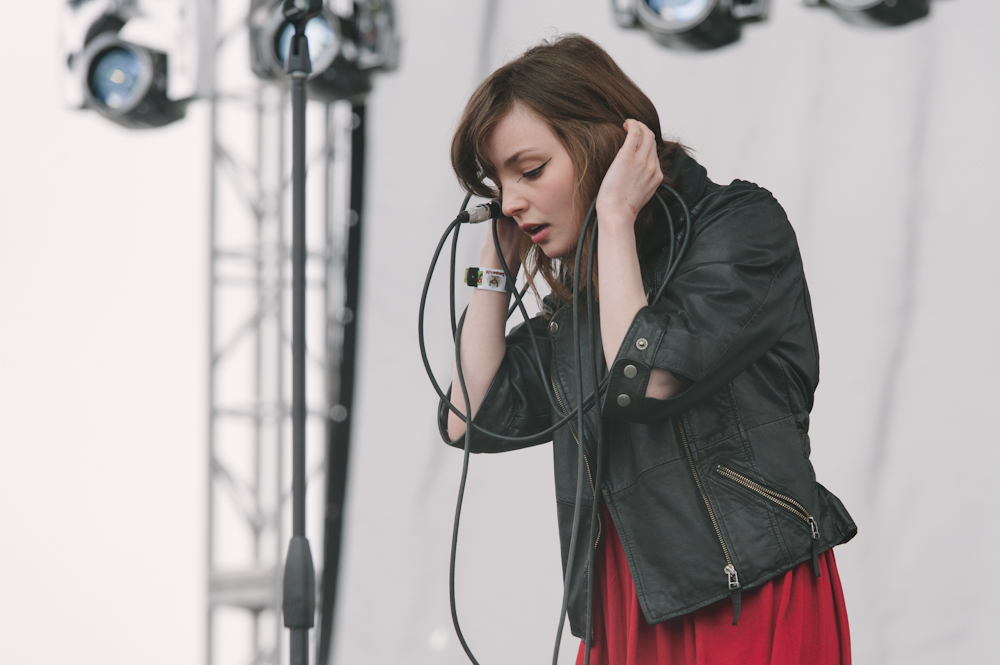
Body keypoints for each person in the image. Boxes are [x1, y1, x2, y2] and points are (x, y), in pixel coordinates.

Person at [439, 34, 856, 665]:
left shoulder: (741, 226)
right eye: (499, 183)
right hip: (626, 607)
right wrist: (493, 266)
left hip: (745, 590)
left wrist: (614, 215)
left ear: (603, 147)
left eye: (529, 170)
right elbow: (468, 416)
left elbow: (648, 377)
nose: (512, 200)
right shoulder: (583, 304)